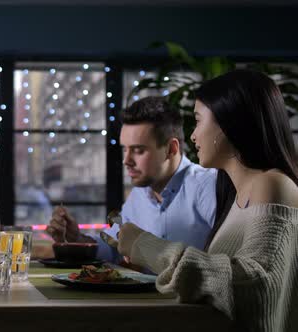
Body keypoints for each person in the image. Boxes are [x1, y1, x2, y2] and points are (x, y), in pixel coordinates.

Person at [117, 69, 298, 331]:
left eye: (199, 121)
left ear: (228, 123)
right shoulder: (237, 195)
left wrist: (147, 247)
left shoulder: (271, 184)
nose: (192, 135)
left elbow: (257, 287)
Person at [47, 96, 217, 263]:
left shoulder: (207, 186)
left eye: (138, 150)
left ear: (171, 149)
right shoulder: (139, 194)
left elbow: (230, 267)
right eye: (125, 149)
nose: (126, 161)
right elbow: (113, 247)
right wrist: (76, 237)